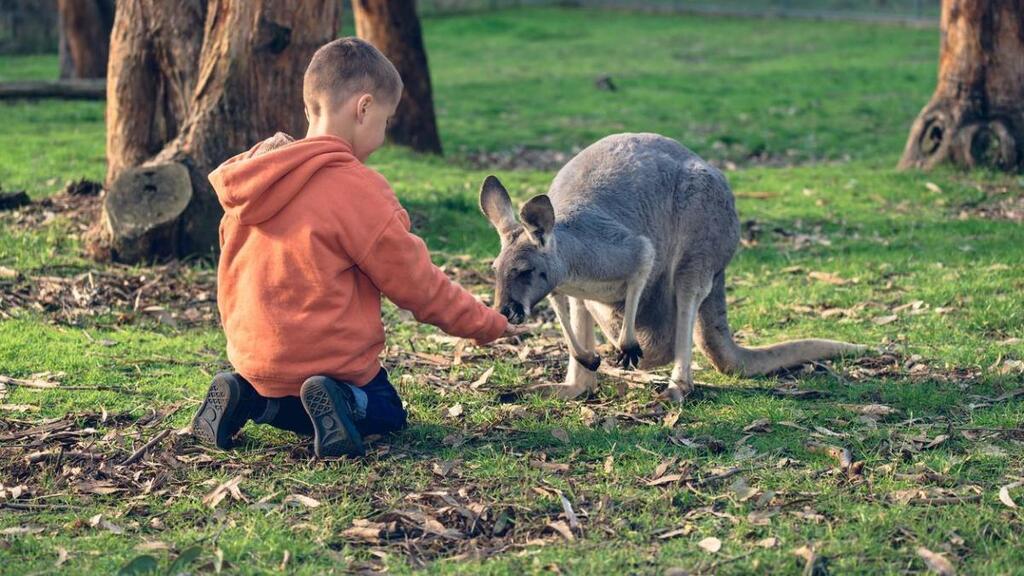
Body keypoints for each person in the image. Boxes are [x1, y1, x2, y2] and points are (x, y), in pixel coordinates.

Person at [191, 38, 520, 458]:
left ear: (310, 107)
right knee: (386, 412)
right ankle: (344, 399)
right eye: (385, 121)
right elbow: (417, 285)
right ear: (363, 109)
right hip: (333, 364)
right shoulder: (358, 190)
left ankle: (249, 397)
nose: (383, 132)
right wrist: (483, 322)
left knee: (293, 393)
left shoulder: (255, 178)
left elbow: (231, 269)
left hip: (254, 358)